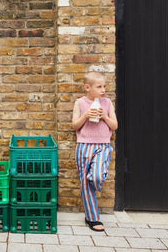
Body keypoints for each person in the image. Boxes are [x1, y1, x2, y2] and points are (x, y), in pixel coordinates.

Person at [71, 71, 118, 232]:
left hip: (103, 145)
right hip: (84, 146)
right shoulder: (80, 103)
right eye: (99, 87)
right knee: (85, 183)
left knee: (96, 176)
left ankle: (95, 182)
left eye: (104, 86)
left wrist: (104, 116)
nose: (103, 89)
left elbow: (114, 126)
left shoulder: (107, 103)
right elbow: (75, 125)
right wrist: (85, 115)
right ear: (87, 87)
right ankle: (92, 218)